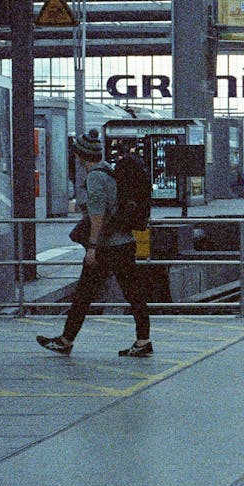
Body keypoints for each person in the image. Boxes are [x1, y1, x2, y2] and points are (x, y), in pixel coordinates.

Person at [37, 129, 152, 358]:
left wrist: (92, 247)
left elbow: (98, 215)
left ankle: (66, 340)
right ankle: (143, 340)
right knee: (132, 293)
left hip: (108, 247)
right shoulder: (107, 171)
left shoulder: (96, 177)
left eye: (77, 153)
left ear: (82, 156)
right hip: (124, 242)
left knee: (84, 294)